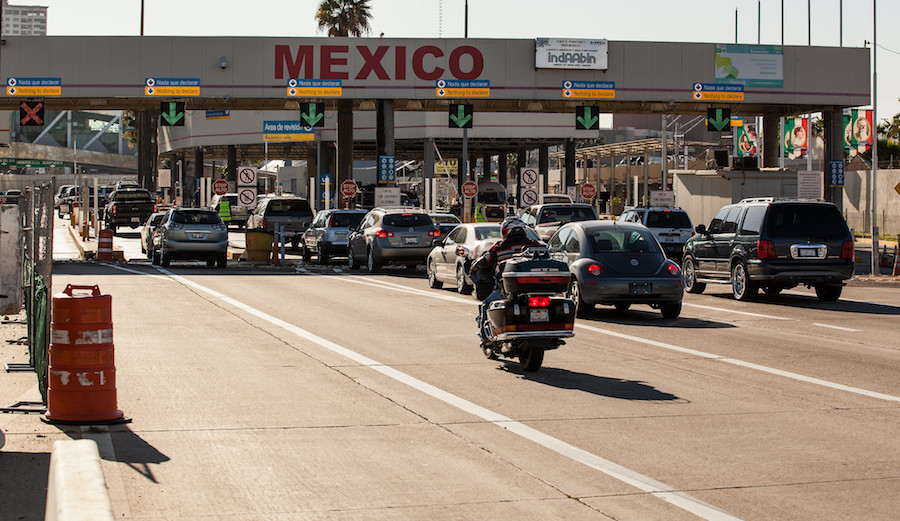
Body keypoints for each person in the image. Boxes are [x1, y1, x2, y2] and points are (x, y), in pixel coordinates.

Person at [469, 217, 543, 343]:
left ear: (505, 232)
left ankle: (486, 340)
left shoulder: (499, 247)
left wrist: (473, 266)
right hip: (534, 290)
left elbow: (484, 261)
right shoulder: (536, 245)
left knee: (486, 305)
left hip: (507, 291)